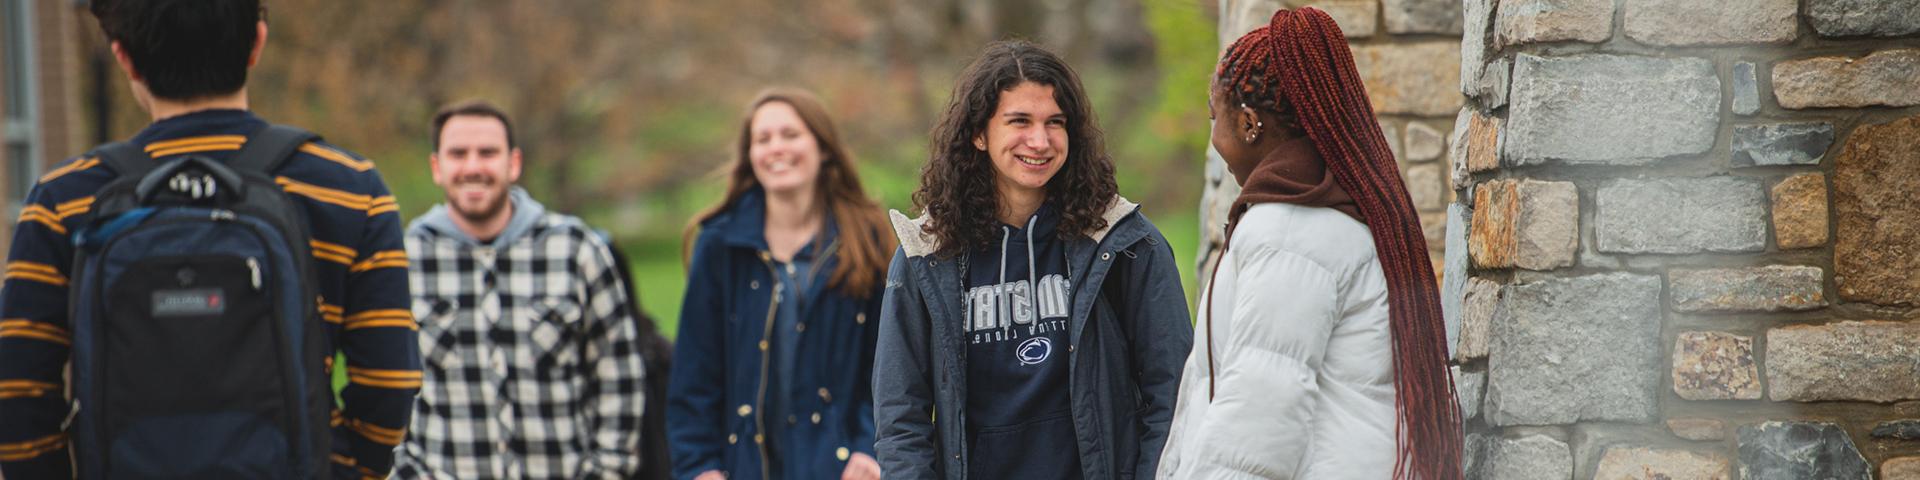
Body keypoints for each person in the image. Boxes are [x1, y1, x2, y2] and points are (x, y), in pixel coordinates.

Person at [0, 0, 419, 478]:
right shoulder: (350, 188)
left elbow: (18, 390)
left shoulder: (65, 199)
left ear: (124, 57)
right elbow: (390, 382)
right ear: (257, 43)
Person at [1155, 7, 1463, 479]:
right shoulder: (1326, 215)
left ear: (1249, 124)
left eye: (1215, 116)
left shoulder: (1289, 233)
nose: (1213, 134)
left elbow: (1258, 417)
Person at [873, 40, 1193, 480]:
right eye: (1019, 121)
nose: (1039, 141)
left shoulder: (1125, 242)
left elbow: (1173, 393)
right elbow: (900, 418)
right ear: (979, 133)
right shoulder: (928, 254)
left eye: (1055, 123)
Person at [394, 101, 646, 479]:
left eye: (488, 153)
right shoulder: (402, 260)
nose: (473, 167)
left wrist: (606, 472)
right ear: (437, 167)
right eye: (458, 154)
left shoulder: (577, 250)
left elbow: (619, 376)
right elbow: (381, 385)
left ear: (513, 163)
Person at [669, 87, 893, 480]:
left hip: (841, 470)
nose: (776, 148)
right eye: (763, 139)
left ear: (823, 148)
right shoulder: (720, 246)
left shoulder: (867, 240)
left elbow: (891, 370)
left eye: (790, 135)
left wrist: (869, 449)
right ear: (750, 156)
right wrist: (699, 467)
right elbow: (693, 378)